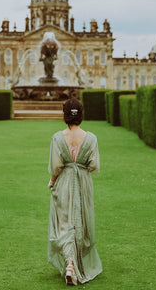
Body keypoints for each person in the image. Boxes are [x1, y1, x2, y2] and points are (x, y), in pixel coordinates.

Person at [47, 98, 102, 286]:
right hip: (83, 182)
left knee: (64, 222)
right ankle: (75, 262)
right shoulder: (91, 138)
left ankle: (70, 263)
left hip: (64, 182)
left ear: (65, 115)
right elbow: (94, 165)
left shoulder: (57, 137)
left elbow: (56, 167)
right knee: (81, 221)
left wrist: (52, 182)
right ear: (81, 115)